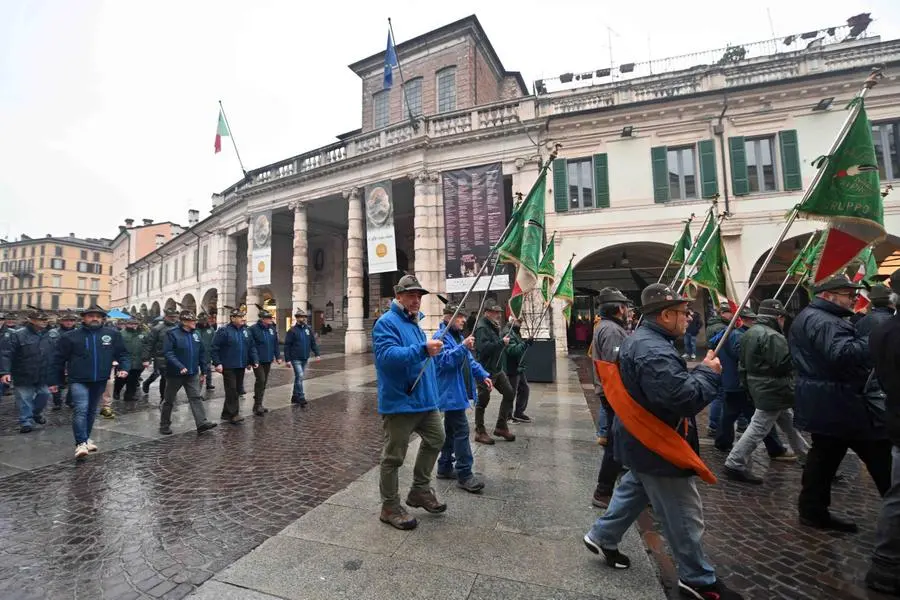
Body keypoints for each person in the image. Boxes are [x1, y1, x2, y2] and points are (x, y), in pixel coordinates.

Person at [583, 284, 743, 600]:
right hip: (655, 439)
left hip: (640, 436)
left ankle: (603, 535)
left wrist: (698, 371)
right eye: (684, 312)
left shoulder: (647, 342)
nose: (689, 317)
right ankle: (697, 579)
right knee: (683, 513)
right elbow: (681, 398)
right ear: (666, 315)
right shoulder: (650, 348)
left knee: (635, 488)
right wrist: (709, 374)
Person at [791, 274, 892, 532]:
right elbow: (843, 354)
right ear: (829, 295)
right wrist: (873, 339)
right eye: (848, 294)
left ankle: (812, 510)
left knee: (824, 458)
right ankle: (896, 512)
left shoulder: (817, 317)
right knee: (879, 455)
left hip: (829, 401)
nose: (854, 299)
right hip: (840, 402)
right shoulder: (824, 321)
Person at [373, 274, 447, 530]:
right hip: (400, 401)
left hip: (424, 401)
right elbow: (387, 357)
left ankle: (419, 490)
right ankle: (389, 506)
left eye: (419, 295)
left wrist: (434, 352)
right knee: (393, 458)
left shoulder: (415, 322)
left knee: (437, 438)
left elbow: (423, 358)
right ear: (399, 296)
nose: (416, 299)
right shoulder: (386, 323)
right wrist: (422, 350)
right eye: (411, 295)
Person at [724, 299, 810, 484]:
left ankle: (806, 457)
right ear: (778, 317)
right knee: (758, 427)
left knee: (789, 423)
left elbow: (742, 363)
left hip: (761, 386)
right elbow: (784, 364)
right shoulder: (773, 336)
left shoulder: (748, 333)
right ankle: (734, 462)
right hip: (774, 389)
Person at [710, 307, 789, 461]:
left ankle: (722, 442)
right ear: (744, 319)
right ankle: (775, 448)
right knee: (760, 419)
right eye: (752, 319)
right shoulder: (737, 336)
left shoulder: (727, 334)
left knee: (729, 415)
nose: (754, 322)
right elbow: (744, 358)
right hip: (739, 382)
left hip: (731, 381)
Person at [50, 306, 129, 460]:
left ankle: (86, 438)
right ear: (84, 318)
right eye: (91, 316)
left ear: (103, 319)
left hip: (99, 379)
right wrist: (54, 381)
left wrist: (124, 367)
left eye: (98, 316)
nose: (95, 318)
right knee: (81, 408)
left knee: (92, 410)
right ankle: (80, 443)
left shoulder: (112, 334)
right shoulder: (71, 336)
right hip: (78, 379)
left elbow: (123, 353)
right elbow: (57, 360)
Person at [866, 270, 900, 595]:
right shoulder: (891, 330)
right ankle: (886, 563)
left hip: (895, 416)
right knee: (898, 497)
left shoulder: (883, 328)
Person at [434, 303, 492, 493]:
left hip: (458, 391)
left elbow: (470, 361)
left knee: (451, 432)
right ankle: (465, 474)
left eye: (464, 317)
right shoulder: (440, 337)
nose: (464, 320)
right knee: (462, 431)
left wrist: (483, 375)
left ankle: (444, 467)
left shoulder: (457, 337)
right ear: (448, 317)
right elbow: (444, 361)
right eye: (460, 317)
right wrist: (462, 347)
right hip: (450, 393)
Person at [590, 287, 630, 508]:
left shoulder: (608, 327)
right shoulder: (612, 330)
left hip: (610, 391)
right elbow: (615, 364)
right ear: (619, 308)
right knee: (616, 443)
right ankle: (603, 490)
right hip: (614, 392)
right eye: (625, 306)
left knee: (620, 441)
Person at [159, 310, 217, 435]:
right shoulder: (172, 334)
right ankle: (164, 425)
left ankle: (202, 423)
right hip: (175, 374)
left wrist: (204, 371)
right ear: (184, 322)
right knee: (169, 399)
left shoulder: (196, 334)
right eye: (192, 321)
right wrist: (179, 366)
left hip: (192, 373)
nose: (194, 323)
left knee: (195, 397)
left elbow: (202, 352)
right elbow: (168, 353)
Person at [0, 307, 56, 433]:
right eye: (40, 320)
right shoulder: (18, 334)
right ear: (31, 320)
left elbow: (53, 354)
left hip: (42, 372)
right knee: (25, 399)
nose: (44, 322)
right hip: (23, 372)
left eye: (45, 319)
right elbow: (6, 354)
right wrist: (5, 372)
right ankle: (26, 422)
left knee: (44, 394)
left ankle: (35, 413)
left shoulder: (50, 335)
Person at [473, 304, 517, 444]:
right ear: (487, 312)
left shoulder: (493, 325)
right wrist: (501, 343)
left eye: (499, 312)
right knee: (482, 401)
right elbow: (483, 349)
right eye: (495, 312)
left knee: (509, 393)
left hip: (497, 370)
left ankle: (501, 426)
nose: (498, 315)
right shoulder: (482, 328)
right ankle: (480, 431)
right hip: (485, 371)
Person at [211, 307, 259, 424]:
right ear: (232, 318)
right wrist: (217, 363)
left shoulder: (246, 331)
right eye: (240, 317)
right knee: (231, 389)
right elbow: (214, 348)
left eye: (243, 317)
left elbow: (251, 347)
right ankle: (234, 414)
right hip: (228, 365)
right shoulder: (224, 331)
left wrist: (253, 360)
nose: (243, 319)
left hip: (241, 364)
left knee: (236, 389)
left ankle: (226, 413)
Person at [704, 302, 732, 438]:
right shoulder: (721, 327)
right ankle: (714, 425)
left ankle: (714, 424)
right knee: (720, 395)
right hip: (721, 362)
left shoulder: (713, 324)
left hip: (717, 360)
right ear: (722, 313)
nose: (731, 314)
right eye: (729, 312)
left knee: (719, 395)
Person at [248, 306, 282, 416]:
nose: (270, 320)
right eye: (268, 318)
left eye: (270, 318)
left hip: (268, 359)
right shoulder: (253, 329)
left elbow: (275, 344)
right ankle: (257, 405)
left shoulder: (272, 329)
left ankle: (258, 404)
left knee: (264, 382)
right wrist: (251, 360)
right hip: (257, 360)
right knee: (261, 380)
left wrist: (278, 356)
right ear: (262, 319)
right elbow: (250, 345)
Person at [283, 308, 320, 406]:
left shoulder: (308, 329)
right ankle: (301, 396)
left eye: (303, 317)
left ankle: (294, 396)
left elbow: (312, 342)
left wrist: (317, 353)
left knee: (298, 377)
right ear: (296, 318)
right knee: (300, 376)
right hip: (295, 357)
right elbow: (287, 345)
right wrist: (287, 360)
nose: (302, 319)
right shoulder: (292, 330)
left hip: (305, 357)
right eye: (300, 317)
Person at [142, 308, 179, 399]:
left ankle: (170, 395)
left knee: (174, 378)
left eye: (174, 317)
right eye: (170, 317)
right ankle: (163, 397)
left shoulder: (179, 328)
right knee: (163, 377)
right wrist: (146, 359)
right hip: (161, 357)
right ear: (165, 317)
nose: (173, 318)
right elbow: (149, 344)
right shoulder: (157, 329)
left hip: (176, 357)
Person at [502, 316, 532, 423]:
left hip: (518, 367)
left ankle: (519, 412)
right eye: (519, 321)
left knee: (524, 389)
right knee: (511, 392)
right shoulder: (508, 332)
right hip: (511, 368)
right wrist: (525, 343)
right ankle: (507, 416)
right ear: (512, 320)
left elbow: (519, 346)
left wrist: (526, 343)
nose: (521, 323)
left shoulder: (515, 331)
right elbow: (512, 350)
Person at [113, 317, 146, 402]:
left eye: (135, 324)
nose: (134, 326)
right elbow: (116, 348)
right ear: (127, 324)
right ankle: (116, 391)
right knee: (121, 378)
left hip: (138, 361)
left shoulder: (142, 333)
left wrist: (147, 359)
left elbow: (147, 346)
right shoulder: (121, 334)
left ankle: (129, 396)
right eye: (131, 324)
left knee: (133, 380)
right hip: (124, 361)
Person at [52, 310, 79, 409]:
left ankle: (70, 400)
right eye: (66, 320)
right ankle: (57, 402)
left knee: (73, 382)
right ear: (61, 321)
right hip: (58, 360)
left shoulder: (78, 332)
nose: (69, 322)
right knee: (57, 381)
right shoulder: (54, 333)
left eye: (71, 320)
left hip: (73, 360)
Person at [196, 312, 216, 390]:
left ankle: (209, 384)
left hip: (207, 354)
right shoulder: (195, 329)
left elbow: (214, 342)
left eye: (205, 320)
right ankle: (198, 390)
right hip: (196, 355)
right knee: (198, 375)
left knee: (208, 370)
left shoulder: (211, 329)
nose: (204, 322)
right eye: (202, 320)